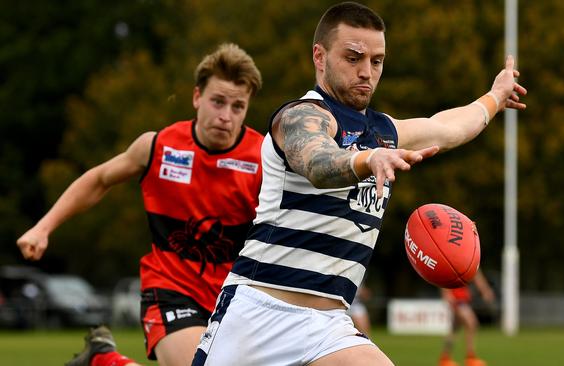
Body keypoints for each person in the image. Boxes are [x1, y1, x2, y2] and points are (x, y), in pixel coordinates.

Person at [192, 2, 526, 365]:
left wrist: (494, 97)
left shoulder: (383, 132)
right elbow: (318, 161)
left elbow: (448, 127)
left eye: (377, 61)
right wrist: (366, 159)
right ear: (319, 57)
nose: (367, 71)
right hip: (259, 315)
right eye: (353, 58)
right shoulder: (301, 115)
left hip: (327, 325)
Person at [16, 43, 264, 366]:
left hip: (235, 297)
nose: (225, 116)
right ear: (196, 97)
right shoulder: (158, 146)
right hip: (171, 289)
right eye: (217, 102)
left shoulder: (263, 158)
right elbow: (99, 179)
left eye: (237, 107)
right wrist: (43, 228)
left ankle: (104, 361)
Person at [438, 270, 495, 366]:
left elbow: (477, 275)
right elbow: (444, 273)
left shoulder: (468, 260)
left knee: (454, 329)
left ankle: (445, 358)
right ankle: (470, 357)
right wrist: (446, 294)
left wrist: (485, 290)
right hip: (457, 300)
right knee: (472, 323)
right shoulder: (454, 260)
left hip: (462, 298)